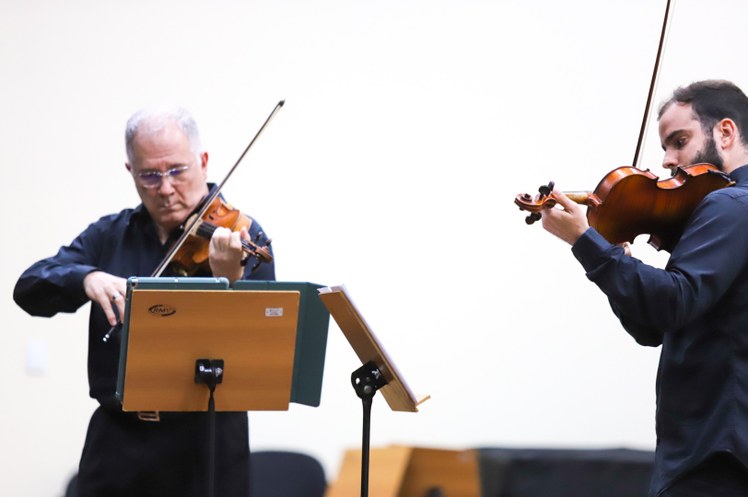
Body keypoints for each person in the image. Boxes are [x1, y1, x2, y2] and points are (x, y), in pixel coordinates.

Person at [13, 107, 275, 497]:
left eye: (177, 171)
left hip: (208, 443)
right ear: (130, 172)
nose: (166, 189)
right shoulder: (110, 235)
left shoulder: (239, 235)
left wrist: (229, 280)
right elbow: (29, 287)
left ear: (202, 162)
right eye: (150, 175)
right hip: (119, 441)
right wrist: (86, 276)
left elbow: (263, 339)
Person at [538, 79, 748, 497]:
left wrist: (587, 242)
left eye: (680, 141)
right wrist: (618, 257)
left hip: (712, 457)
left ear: (725, 132)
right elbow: (652, 327)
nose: (668, 162)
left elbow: (671, 301)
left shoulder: (731, 204)